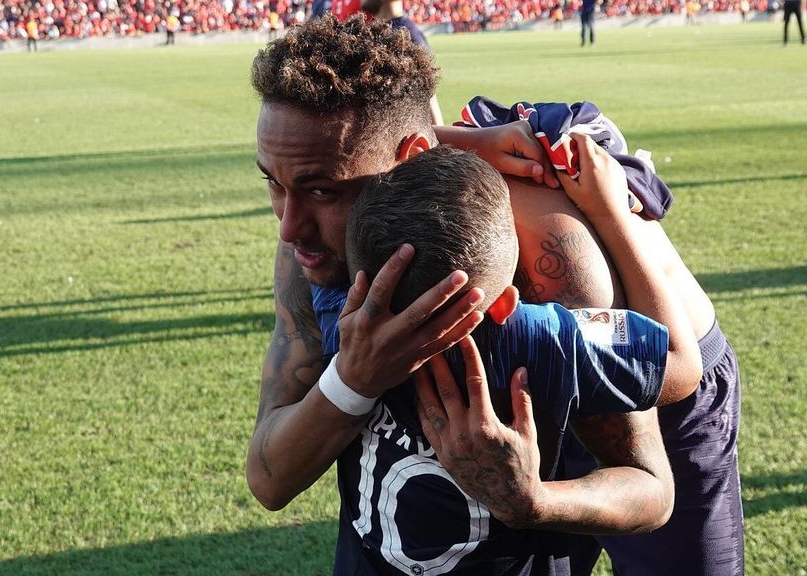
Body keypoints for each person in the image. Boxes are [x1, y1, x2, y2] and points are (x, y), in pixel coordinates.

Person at [247, 14, 744, 576]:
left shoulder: (543, 259)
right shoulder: (313, 246)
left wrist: (536, 500)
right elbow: (269, 477)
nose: (289, 229)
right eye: (272, 181)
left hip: (653, 375)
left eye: (322, 190)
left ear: (409, 160)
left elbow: (655, 454)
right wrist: (352, 382)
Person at [337, 144, 704, 573]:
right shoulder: (539, 338)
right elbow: (682, 365)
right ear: (508, 301)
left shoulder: (338, 320)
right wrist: (613, 216)